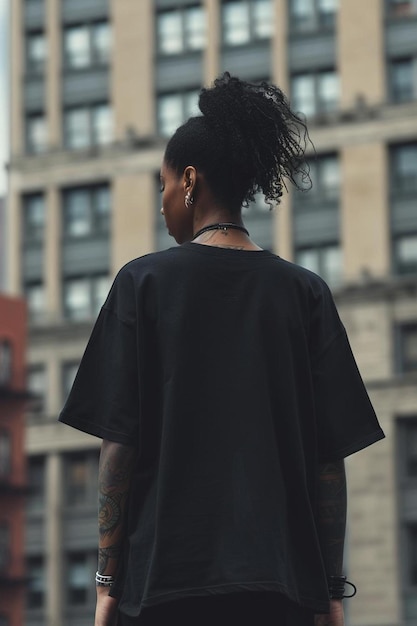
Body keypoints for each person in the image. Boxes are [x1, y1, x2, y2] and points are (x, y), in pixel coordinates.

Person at [59, 73, 385, 626]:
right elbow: (328, 462)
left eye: (162, 186)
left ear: (189, 181)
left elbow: (120, 446)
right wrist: (331, 589)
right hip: (282, 590)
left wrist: (108, 581)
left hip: (165, 588)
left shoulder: (142, 285)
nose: (162, 204)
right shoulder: (305, 293)